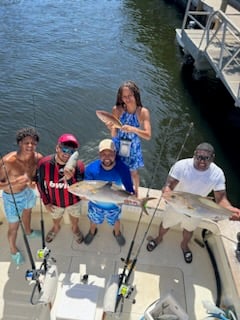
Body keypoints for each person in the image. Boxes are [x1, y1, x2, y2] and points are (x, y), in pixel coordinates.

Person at [146, 142, 240, 263]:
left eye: (206, 158)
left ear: (213, 158)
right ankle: (158, 238)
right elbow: (169, 185)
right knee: (165, 224)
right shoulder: (181, 165)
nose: (202, 161)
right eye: (199, 156)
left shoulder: (218, 174)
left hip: (197, 211)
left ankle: (184, 245)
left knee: (189, 230)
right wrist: (167, 191)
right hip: (176, 205)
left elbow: (221, 199)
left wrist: (229, 209)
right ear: (194, 154)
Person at [0, 127, 43, 265]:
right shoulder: (7, 162)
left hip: (28, 192)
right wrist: (15, 182)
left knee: (28, 212)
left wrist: (33, 182)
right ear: (19, 143)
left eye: (33, 143)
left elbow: (37, 176)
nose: (30, 146)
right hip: (12, 197)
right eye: (26, 142)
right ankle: (13, 250)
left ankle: (29, 232)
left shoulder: (38, 158)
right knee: (13, 227)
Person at [84, 139, 135, 246]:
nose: (107, 157)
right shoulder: (90, 169)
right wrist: (84, 195)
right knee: (93, 219)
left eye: (110, 153)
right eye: (103, 153)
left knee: (116, 220)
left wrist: (132, 197)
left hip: (115, 205)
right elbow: (87, 187)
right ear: (99, 155)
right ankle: (92, 231)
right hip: (95, 204)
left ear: (115, 153)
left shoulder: (123, 169)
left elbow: (129, 189)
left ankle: (117, 233)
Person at [37, 133, 85, 244]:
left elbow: (80, 188)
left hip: (74, 201)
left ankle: (75, 228)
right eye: (64, 149)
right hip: (54, 202)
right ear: (57, 148)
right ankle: (56, 227)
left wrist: (69, 179)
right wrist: (46, 202)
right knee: (56, 217)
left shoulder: (79, 166)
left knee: (75, 217)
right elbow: (40, 184)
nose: (67, 154)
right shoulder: (44, 163)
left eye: (71, 152)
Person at [109, 80, 151, 197]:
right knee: (115, 168)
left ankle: (135, 192)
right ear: (121, 98)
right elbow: (113, 134)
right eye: (124, 97)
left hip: (133, 146)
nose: (127, 99)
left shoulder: (142, 112)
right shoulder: (117, 110)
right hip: (118, 144)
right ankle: (115, 190)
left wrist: (134, 129)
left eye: (130, 96)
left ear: (136, 95)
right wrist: (111, 127)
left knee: (133, 172)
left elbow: (148, 135)